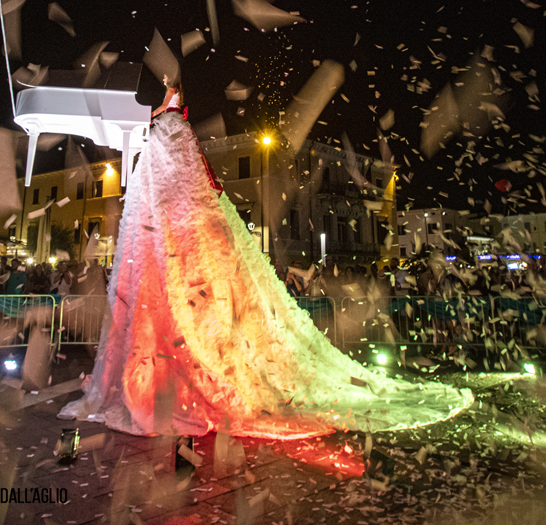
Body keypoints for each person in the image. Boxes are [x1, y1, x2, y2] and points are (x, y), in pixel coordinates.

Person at [60, 75, 472, 438]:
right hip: (170, 194)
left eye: (168, 89)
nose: (166, 90)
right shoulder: (169, 127)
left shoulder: (169, 126)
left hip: (174, 190)